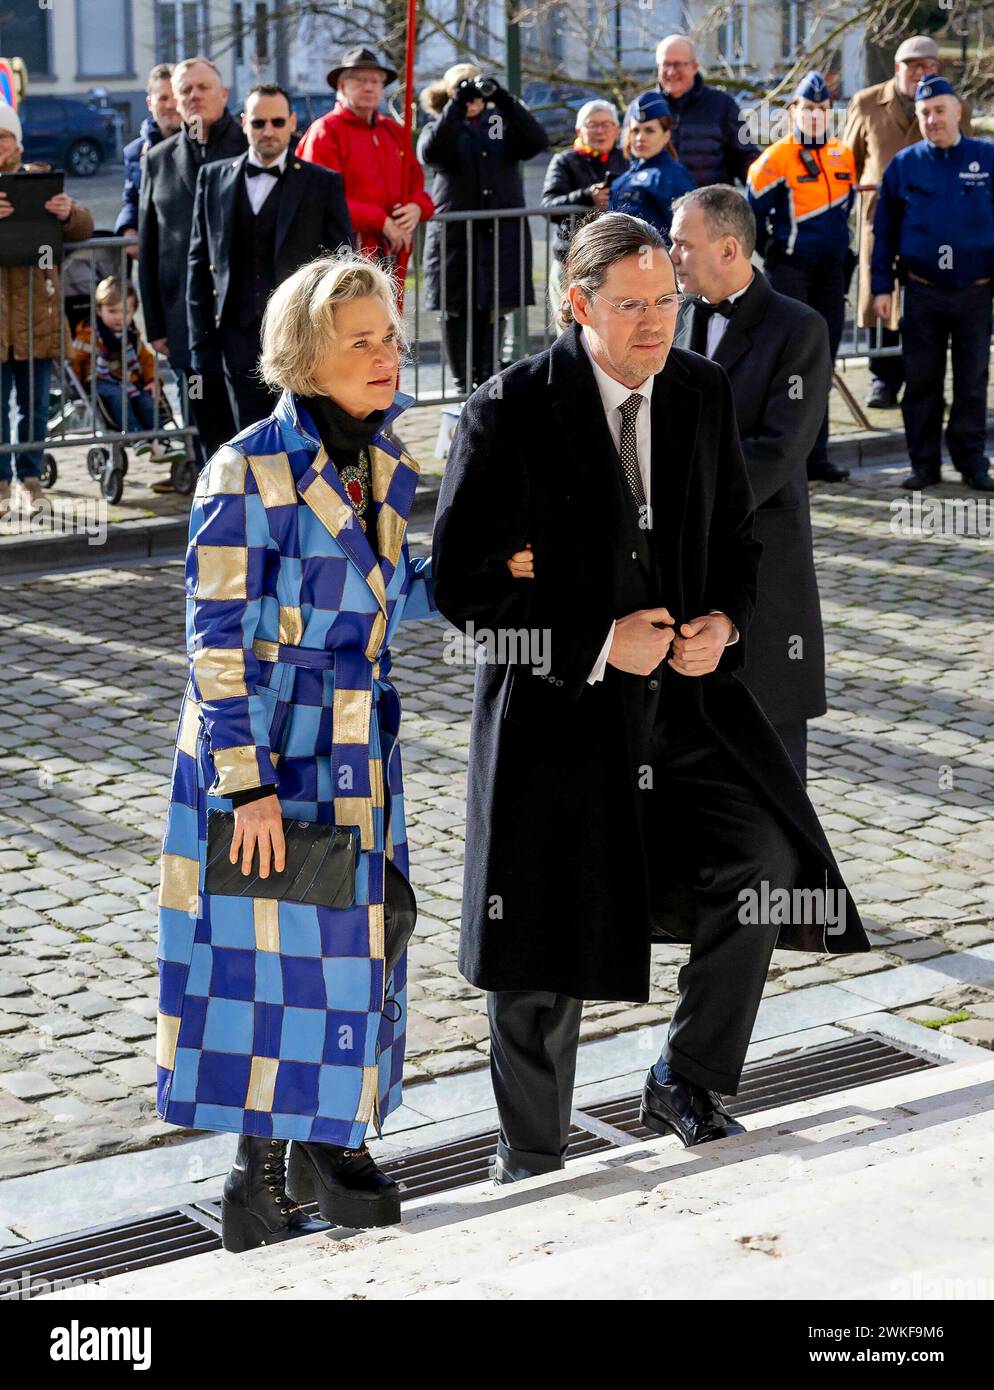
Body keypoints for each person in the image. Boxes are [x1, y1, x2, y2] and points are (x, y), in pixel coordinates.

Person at [431, 212, 869, 1185]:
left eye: (665, 301)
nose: (653, 323)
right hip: (557, 718)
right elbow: (462, 589)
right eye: (629, 307)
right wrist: (592, 639)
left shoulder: (700, 393)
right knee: (540, 949)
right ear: (576, 304)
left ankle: (689, 1076)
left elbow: (737, 545)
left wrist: (724, 621)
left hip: (683, 710)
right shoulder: (507, 412)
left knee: (763, 858)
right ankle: (533, 1157)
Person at [155, 249, 529, 1252]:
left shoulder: (384, 460)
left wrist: (479, 565)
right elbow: (215, 644)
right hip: (269, 749)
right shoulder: (244, 469)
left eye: (388, 335)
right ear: (308, 357)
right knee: (264, 959)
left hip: (358, 747)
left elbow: (380, 589)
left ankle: (325, 1143)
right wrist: (247, 791)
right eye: (359, 340)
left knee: (356, 944)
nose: (384, 353)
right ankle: (267, 1172)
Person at [670, 187, 832, 781]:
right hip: (681, 562)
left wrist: (685, 494)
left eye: (684, 244)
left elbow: (780, 450)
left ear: (729, 247)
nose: (672, 254)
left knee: (771, 751)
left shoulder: (799, 327)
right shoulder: (673, 313)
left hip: (763, 555)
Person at [187, 83, 353, 431]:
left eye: (277, 122)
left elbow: (342, 266)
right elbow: (199, 261)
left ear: (293, 123)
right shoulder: (213, 178)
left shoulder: (321, 183)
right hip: (236, 331)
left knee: (302, 434)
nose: (268, 131)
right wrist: (199, 340)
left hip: (300, 334)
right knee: (248, 434)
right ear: (244, 122)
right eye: (259, 122)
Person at [871, 78, 994, 493]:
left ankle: (972, 462)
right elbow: (884, 233)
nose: (932, 119)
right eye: (924, 113)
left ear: (958, 110)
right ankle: (923, 464)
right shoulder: (904, 165)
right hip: (922, 291)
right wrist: (882, 286)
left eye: (940, 110)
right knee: (921, 381)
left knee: (972, 381)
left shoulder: (986, 159)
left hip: (976, 291)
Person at [844, 35, 973, 409]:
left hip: (932, 221)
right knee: (879, 297)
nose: (921, 73)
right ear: (897, 68)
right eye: (913, 66)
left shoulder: (951, 104)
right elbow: (848, 160)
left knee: (924, 297)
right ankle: (882, 379)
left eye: (929, 65)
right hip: (877, 216)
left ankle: (925, 381)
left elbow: (964, 160)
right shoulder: (866, 103)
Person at [138, 56, 247, 489]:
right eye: (186, 91)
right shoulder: (159, 160)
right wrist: (155, 323)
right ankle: (214, 505)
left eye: (203, 87)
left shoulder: (252, 147)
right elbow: (150, 248)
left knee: (253, 420)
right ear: (176, 102)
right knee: (203, 416)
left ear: (223, 94)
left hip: (245, 318)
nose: (194, 96)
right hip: (185, 322)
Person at [747, 71, 856, 484]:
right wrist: (775, 254)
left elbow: (843, 214)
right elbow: (750, 216)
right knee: (792, 364)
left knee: (822, 362)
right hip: (791, 272)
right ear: (793, 110)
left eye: (822, 109)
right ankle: (786, 457)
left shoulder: (843, 155)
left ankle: (818, 456)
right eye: (808, 109)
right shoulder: (774, 159)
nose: (815, 116)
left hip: (830, 273)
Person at [418, 63, 548, 393]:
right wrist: (457, 105)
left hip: (498, 239)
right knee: (457, 309)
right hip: (457, 239)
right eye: (460, 88)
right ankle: (464, 386)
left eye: (473, 87)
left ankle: (488, 385)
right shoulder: (444, 125)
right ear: (447, 94)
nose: (471, 94)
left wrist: (503, 99)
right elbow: (432, 152)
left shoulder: (497, 124)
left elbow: (536, 141)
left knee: (494, 307)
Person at [0, 101, 94, 519]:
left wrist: (68, 212)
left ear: (16, 142)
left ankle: (31, 477)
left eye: (4, 136)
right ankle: (2, 481)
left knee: (36, 406)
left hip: (37, 316)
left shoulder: (40, 180)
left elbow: (84, 226)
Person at [295, 46, 434, 301]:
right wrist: (380, 221)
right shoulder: (325, 132)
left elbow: (417, 184)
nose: (369, 87)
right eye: (360, 81)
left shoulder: (393, 131)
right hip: (343, 252)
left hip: (390, 254)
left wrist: (416, 207)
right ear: (342, 86)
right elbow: (320, 198)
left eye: (374, 81)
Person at [70, 275, 185, 463]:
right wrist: (75, 387)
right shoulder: (88, 335)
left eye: (125, 312)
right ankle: (135, 435)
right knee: (118, 396)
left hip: (128, 380)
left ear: (133, 312)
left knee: (146, 399)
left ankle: (160, 440)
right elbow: (75, 360)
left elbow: (146, 359)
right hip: (99, 381)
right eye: (112, 311)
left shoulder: (131, 335)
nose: (119, 317)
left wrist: (152, 380)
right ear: (99, 310)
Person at [625, 33, 759, 188]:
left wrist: (762, 187)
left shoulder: (722, 105)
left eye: (678, 65)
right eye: (666, 64)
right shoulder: (640, 107)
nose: (671, 72)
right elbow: (626, 159)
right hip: (654, 206)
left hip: (710, 206)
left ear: (695, 67)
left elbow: (744, 157)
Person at [541, 100, 626, 325]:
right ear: (579, 130)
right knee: (570, 327)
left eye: (607, 125)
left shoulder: (627, 159)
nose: (600, 131)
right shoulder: (564, 160)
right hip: (571, 259)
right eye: (593, 125)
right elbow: (549, 207)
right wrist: (587, 197)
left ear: (617, 130)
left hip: (616, 259)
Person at [608, 91, 695, 243]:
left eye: (649, 130)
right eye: (635, 130)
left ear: (666, 135)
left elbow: (688, 232)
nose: (640, 137)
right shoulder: (624, 178)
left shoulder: (672, 177)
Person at [115, 64, 181, 247]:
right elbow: (131, 201)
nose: (170, 105)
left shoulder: (199, 145)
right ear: (149, 103)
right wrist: (127, 229)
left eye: (175, 97)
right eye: (163, 98)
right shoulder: (134, 152)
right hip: (154, 254)